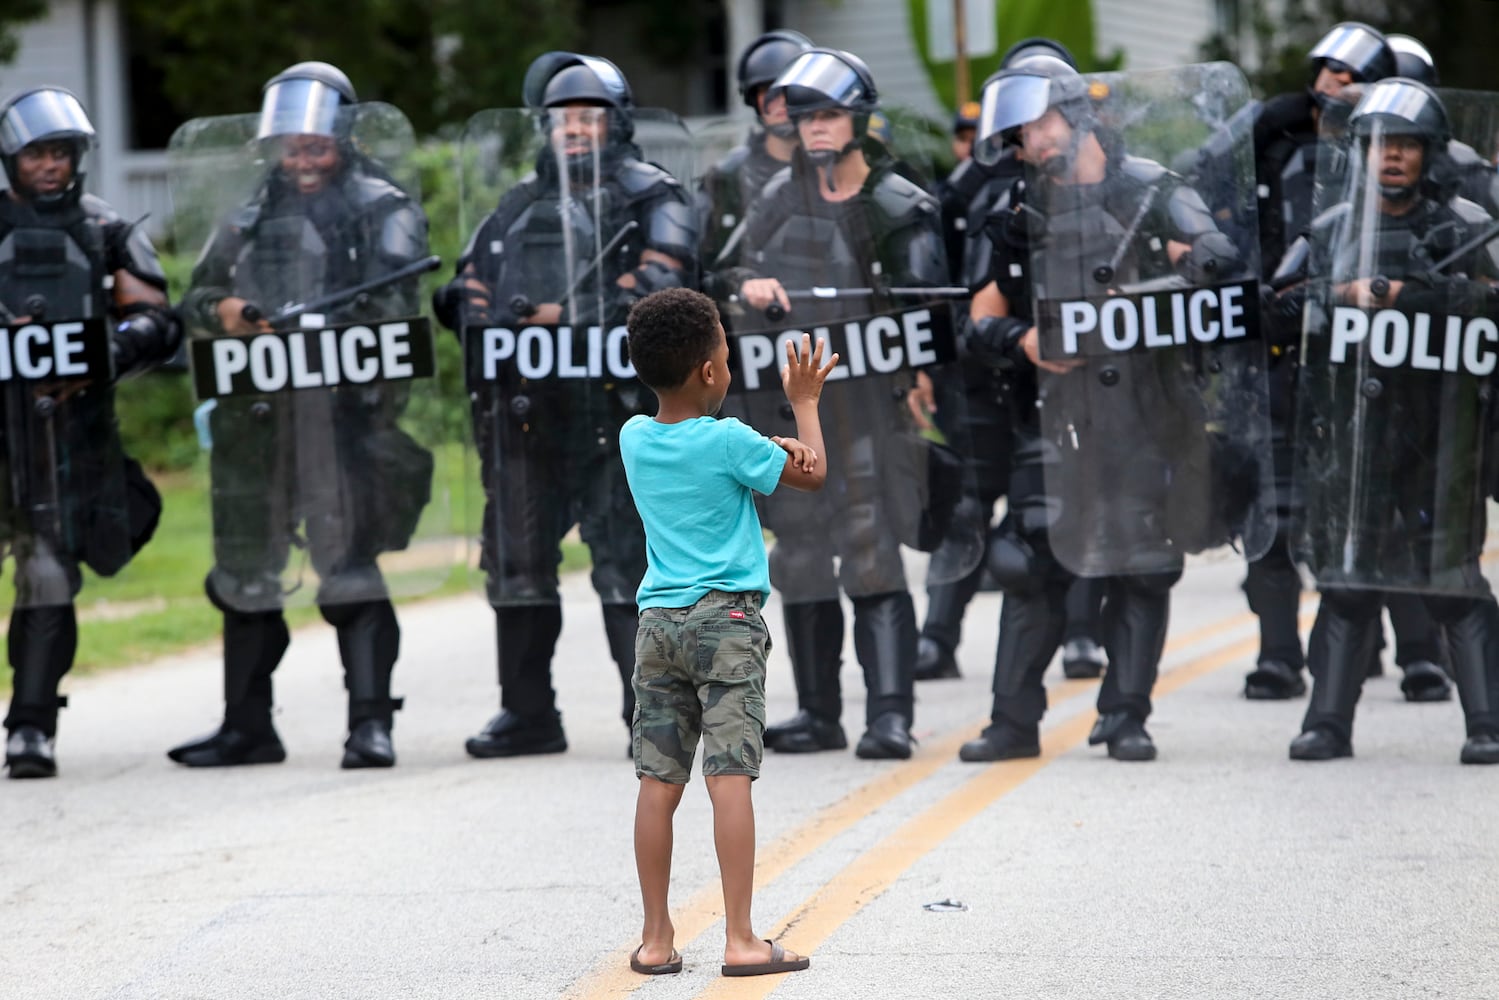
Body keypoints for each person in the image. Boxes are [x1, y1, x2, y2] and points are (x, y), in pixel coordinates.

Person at [957, 56, 1255, 763]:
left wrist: (1184, 267)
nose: (1029, 141)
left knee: (1143, 560)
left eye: (1039, 123)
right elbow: (977, 318)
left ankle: (1124, 715)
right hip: (1056, 412)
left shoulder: (1149, 190)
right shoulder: (1018, 214)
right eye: (1019, 132)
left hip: (1150, 410)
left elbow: (1214, 258)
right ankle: (1011, 722)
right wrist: (1022, 338)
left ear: (1077, 113)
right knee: (1026, 557)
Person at [167, 61, 435, 769]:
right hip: (255, 422)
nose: (303, 157)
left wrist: (325, 325)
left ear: (342, 137)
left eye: (315, 142)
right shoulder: (249, 213)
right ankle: (247, 726)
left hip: (345, 420)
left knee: (349, 567)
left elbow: (399, 305)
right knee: (246, 570)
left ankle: (370, 724)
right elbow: (193, 299)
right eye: (290, 144)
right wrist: (225, 310)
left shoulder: (383, 205)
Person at [434, 52, 696, 757]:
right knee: (514, 563)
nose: (573, 129)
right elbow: (470, 283)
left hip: (618, 416)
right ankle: (527, 713)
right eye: (561, 118)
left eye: (587, 116)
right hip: (523, 417)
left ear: (617, 122)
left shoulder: (653, 197)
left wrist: (573, 313)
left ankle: (649, 714)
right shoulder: (516, 205)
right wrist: (468, 305)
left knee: (625, 563)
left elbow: (663, 286)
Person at [711, 47, 953, 760]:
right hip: (790, 412)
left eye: (828, 115)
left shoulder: (899, 204)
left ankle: (889, 716)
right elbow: (722, 268)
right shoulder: (775, 198)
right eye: (804, 116)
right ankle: (818, 713)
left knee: (870, 550)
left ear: (858, 119)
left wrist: (919, 381)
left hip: (871, 411)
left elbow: (932, 317)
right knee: (801, 555)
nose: (813, 128)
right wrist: (745, 286)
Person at [1220, 22, 1457, 703]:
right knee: (1273, 515)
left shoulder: (1424, 173)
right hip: (1282, 360)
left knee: (1383, 511)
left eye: (1349, 77)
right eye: (1323, 75)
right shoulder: (1282, 157)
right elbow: (1244, 250)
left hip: (1385, 364)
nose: (1332, 85)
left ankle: (1418, 652)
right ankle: (1277, 657)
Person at [1284, 78, 1499, 764]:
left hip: (1442, 432)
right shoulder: (1329, 230)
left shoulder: (1464, 227)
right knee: (1347, 578)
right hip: (1354, 431)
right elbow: (1273, 308)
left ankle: (1488, 722)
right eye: (1379, 144)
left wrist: (1405, 297)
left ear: (1429, 152)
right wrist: (1334, 294)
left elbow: (1491, 309)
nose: (1392, 156)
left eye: (1405, 143)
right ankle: (1326, 722)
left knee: (1451, 578)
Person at [620, 287, 821, 978]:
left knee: (657, 781)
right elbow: (809, 475)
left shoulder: (633, 437)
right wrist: (804, 407)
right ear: (710, 371)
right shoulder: (731, 440)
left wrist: (765, 443)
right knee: (729, 777)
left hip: (656, 626)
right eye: (726, 358)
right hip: (726, 622)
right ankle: (739, 938)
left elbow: (706, 450)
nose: (728, 368)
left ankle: (654, 939)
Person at [914, 37, 1107, 684]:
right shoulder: (974, 181)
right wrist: (919, 362)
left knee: (1068, 503)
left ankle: (1082, 636)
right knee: (967, 505)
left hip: (1053, 371)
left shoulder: (1090, 176)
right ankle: (936, 638)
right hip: (972, 369)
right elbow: (929, 271)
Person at [0, 87, 179, 778]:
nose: (50, 165)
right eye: (37, 153)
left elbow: (159, 318)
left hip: (71, 438)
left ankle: (31, 728)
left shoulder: (102, 227)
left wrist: (111, 348)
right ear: (13, 158)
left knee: (48, 573)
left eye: (61, 152)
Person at [697, 30, 813, 268]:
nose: (780, 102)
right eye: (767, 91)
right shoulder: (727, 176)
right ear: (754, 99)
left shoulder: (837, 166)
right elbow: (706, 267)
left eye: (788, 91)